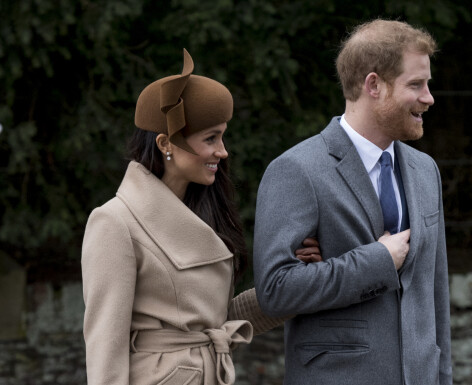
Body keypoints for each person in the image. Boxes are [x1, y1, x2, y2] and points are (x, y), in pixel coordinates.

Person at [81, 49, 321, 385]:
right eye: (211, 138)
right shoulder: (114, 222)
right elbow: (105, 349)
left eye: (222, 136)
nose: (223, 152)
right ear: (166, 143)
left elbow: (217, 323)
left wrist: (297, 279)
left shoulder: (204, 212)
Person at [253, 19, 452, 385]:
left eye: (428, 84)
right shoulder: (297, 171)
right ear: (374, 85)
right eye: (415, 85)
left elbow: (435, 297)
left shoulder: (427, 171)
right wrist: (376, 261)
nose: (429, 97)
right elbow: (275, 291)